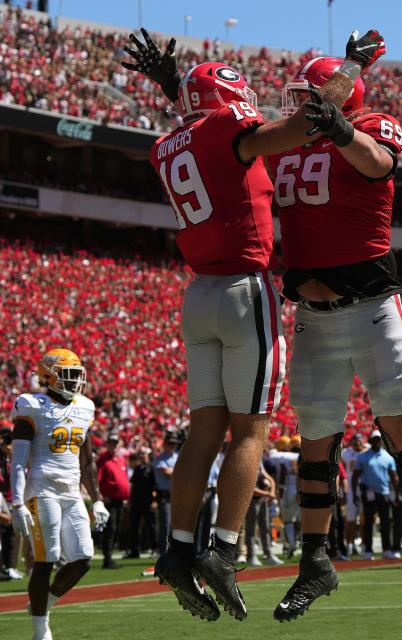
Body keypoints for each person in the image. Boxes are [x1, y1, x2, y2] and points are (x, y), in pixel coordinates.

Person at [121, 27, 380, 621]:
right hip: (245, 289)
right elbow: (309, 125)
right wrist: (350, 66)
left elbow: (202, 128)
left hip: (198, 294)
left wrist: (172, 84)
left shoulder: (168, 144)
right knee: (252, 430)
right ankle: (225, 549)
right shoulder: (222, 131)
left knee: (204, 430)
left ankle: (178, 548)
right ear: (226, 103)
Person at [267, 40, 402, 620]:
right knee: (316, 444)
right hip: (311, 315)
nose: (301, 105)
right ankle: (315, 563)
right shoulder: (287, 144)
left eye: (313, 96)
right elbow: (232, 152)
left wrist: (337, 123)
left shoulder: (371, 125)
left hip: (372, 305)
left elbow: (378, 163)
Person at [9, 349, 110, 640]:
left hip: (71, 492)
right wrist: (17, 502)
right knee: (47, 558)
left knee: (83, 558)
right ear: (48, 375)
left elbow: (87, 459)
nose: (77, 380)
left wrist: (98, 499)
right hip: (42, 489)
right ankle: (40, 630)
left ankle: (43, 602)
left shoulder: (85, 406)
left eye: (78, 374)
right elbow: (18, 461)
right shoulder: (32, 405)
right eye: (70, 374)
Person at [351, 431, 399, 561]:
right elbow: (355, 476)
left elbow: (394, 477)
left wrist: (397, 494)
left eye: (379, 440)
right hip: (368, 492)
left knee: (385, 522)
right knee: (368, 522)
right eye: (374, 440)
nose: (377, 442)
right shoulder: (363, 457)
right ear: (370, 441)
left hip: (384, 493)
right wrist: (354, 492)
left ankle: (387, 549)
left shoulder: (388, 457)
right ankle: (368, 550)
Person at [96, 432, 130, 569]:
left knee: (115, 529)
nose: (113, 446)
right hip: (109, 501)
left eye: (115, 443)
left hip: (120, 500)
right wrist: (101, 496)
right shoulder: (102, 460)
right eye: (111, 443)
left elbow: (124, 479)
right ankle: (107, 558)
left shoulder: (121, 460)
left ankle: (109, 556)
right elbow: (96, 479)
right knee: (110, 529)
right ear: (107, 444)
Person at [340, 433, 368, 558]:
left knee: (364, 520)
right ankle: (349, 546)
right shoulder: (345, 453)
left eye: (360, 442)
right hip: (351, 489)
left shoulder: (368, 451)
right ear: (351, 443)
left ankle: (364, 546)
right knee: (350, 520)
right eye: (356, 442)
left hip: (364, 488)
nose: (358, 444)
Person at [125, 448, 155, 559]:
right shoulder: (137, 469)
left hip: (148, 501)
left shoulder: (152, 469)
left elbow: (155, 486)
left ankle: (154, 548)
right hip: (137, 501)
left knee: (151, 526)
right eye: (141, 455)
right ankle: (134, 550)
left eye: (145, 455)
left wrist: (154, 500)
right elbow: (133, 486)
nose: (143, 457)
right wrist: (129, 500)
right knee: (134, 526)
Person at [152, 431, 179, 554]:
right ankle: (164, 552)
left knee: (177, 526)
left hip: (177, 495)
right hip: (165, 496)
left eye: (174, 443)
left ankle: (174, 552)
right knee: (165, 525)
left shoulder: (177, 456)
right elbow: (166, 472)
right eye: (170, 443)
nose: (172, 445)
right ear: (165, 444)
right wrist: (179, 471)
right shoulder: (160, 458)